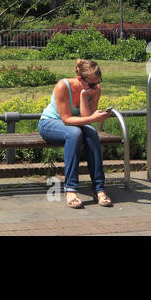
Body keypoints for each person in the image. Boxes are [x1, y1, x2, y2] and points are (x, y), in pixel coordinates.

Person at [37, 59, 113, 209]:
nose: (96, 86)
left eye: (98, 82)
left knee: (91, 133)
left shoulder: (94, 89)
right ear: (80, 79)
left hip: (76, 124)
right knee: (74, 133)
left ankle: (99, 188)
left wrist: (85, 95)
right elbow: (66, 119)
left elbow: (86, 119)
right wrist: (93, 118)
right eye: (92, 84)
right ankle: (70, 189)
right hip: (50, 123)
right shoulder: (62, 86)